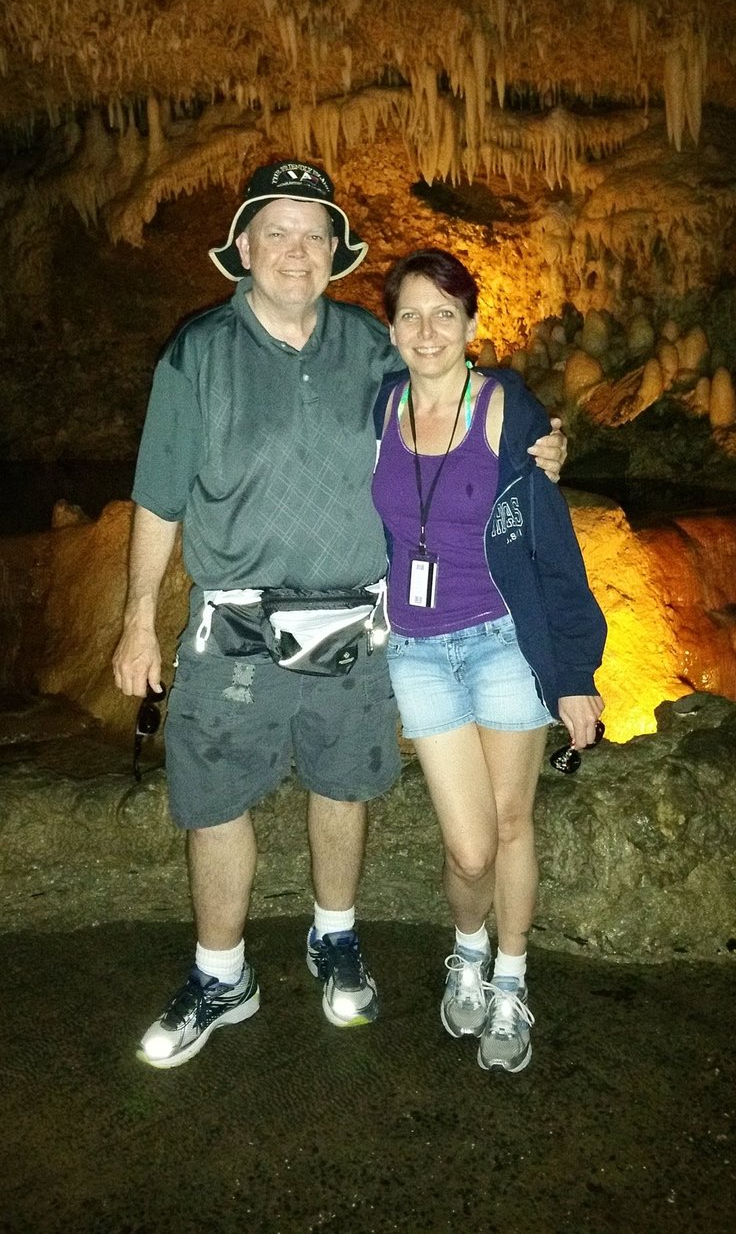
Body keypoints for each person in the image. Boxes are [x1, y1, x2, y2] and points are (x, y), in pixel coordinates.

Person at [112, 161, 567, 1069]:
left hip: (357, 628)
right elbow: (159, 495)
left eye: (312, 234)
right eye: (275, 232)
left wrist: (538, 439)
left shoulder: (371, 344)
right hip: (233, 627)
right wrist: (135, 620)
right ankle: (220, 973)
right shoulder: (196, 353)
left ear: (334, 254)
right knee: (213, 804)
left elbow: (456, 387)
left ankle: (335, 936)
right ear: (242, 249)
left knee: (343, 786)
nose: (294, 250)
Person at [371, 248, 606, 1074]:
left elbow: (553, 546)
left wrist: (574, 672)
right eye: (411, 313)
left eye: (445, 313)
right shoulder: (379, 407)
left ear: (471, 326)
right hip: (420, 651)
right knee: (468, 846)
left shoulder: (506, 405)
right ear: (391, 328)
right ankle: (464, 947)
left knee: (512, 825)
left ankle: (507, 978)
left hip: (505, 639)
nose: (427, 329)